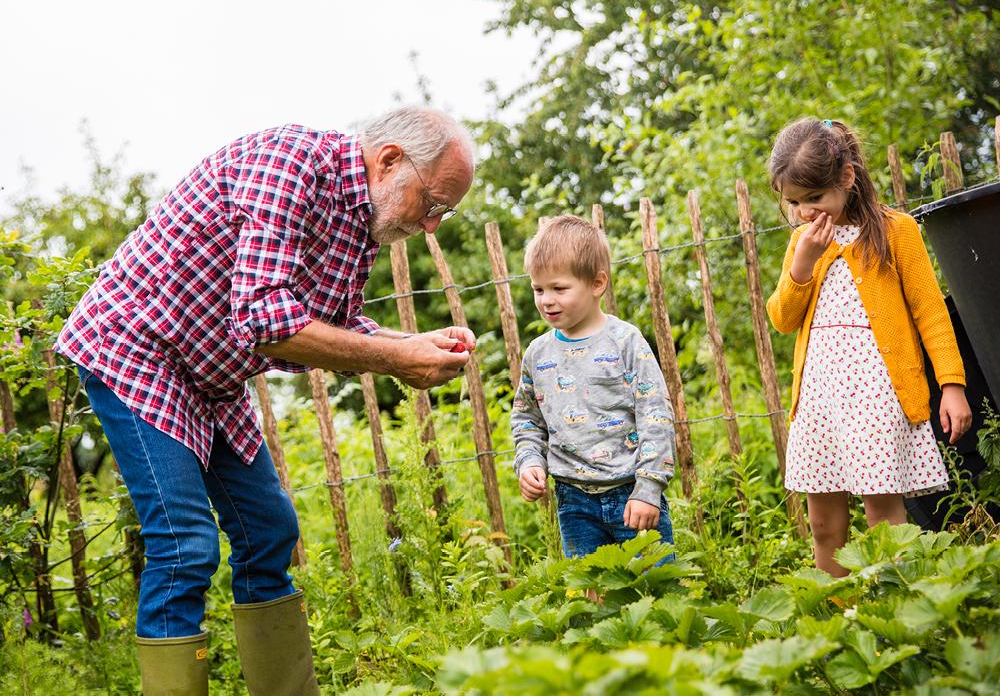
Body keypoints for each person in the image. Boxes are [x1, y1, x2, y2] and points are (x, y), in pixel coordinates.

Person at [54, 106, 477, 695]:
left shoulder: (363, 222)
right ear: (388, 161)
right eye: (432, 204)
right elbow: (269, 322)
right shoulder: (291, 165)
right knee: (184, 545)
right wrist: (395, 359)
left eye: (444, 213)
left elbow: (335, 323)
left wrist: (413, 344)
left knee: (270, 531)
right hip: (138, 348)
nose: (432, 226)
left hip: (211, 373)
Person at [766, 118, 973, 577]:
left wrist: (952, 385)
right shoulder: (803, 243)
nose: (803, 212)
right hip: (819, 400)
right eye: (794, 202)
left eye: (814, 198)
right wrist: (802, 267)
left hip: (876, 397)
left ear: (847, 177)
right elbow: (782, 319)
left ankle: (894, 603)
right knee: (823, 522)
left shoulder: (896, 232)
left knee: (883, 512)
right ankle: (835, 609)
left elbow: (931, 315)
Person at [512, 215, 676, 564]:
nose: (546, 301)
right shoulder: (537, 354)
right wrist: (528, 462)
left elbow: (655, 415)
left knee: (657, 587)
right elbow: (527, 419)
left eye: (559, 288)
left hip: (632, 492)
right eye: (538, 289)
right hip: (573, 500)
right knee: (591, 595)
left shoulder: (625, 342)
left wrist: (649, 487)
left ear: (597, 283)